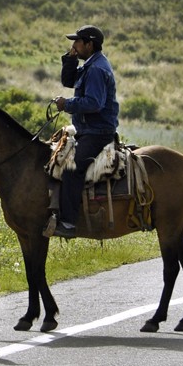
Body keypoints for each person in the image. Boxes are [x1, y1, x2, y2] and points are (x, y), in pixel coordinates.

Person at [49, 24, 120, 237]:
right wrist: (70, 58)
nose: (73, 45)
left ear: (89, 44)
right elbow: (69, 80)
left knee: (72, 170)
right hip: (88, 130)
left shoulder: (97, 69)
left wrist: (67, 104)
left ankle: (69, 224)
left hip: (97, 132)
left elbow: (94, 103)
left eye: (77, 42)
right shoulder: (91, 64)